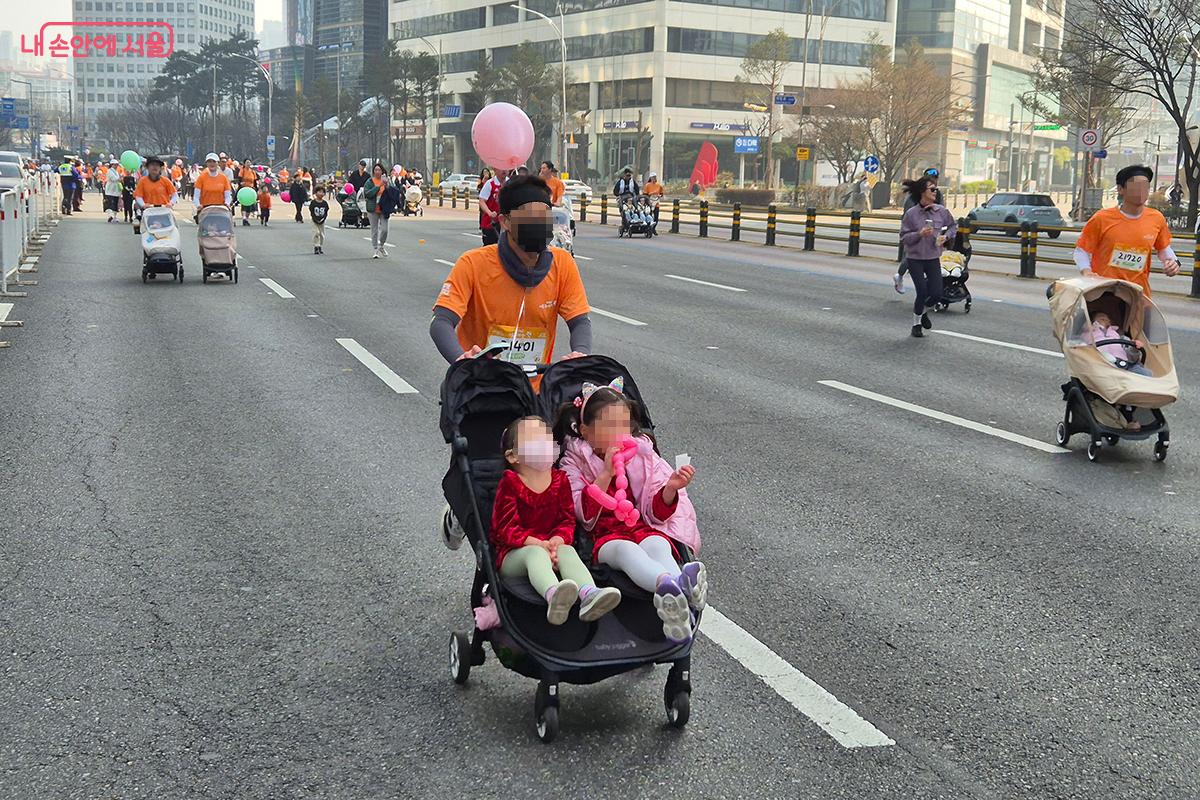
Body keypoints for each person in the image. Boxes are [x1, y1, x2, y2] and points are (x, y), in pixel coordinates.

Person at [555, 382, 706, 644]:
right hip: (604, 537)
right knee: (629, 552)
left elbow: (655, 512)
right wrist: (605, 474)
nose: (619, 433)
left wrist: (670, 488)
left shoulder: (641, 455)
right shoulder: (574, 461)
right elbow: (580, 510)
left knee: (659, 544)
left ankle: (679, 588)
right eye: (609, 426)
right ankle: (669, 584)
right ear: (586, 432)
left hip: (639, 526)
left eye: (624, 425)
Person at [430, 174, 594, 375]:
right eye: (529, 216)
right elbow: (441, 322)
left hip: (534, 390)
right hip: (479, 387)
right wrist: (461, 359)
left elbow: (580, 321)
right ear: (505, 221)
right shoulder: (472, 263)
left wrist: (580, 353)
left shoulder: (563, 263)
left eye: (544, 215)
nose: (538, 223)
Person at [492, 416, 623, 625]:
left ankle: (589, 593)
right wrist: (538, 544)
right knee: (535, 554)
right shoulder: (510, 484)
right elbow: (504, 528)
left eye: (547, 438)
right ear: (513, 456)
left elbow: (567, 520)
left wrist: (557, 540)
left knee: (568, 550)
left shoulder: (560, 480)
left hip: (550, 546)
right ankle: (554, 595)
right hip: (514, 554)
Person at [1074, 164, 1179, 297]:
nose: (1141, 191)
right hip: (1104, 293)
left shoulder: (1156, 218)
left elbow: (1164, 249)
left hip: (1138, 294)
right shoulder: (1102, 218)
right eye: (1136, 186)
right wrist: (1086, 271)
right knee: (1102, 319)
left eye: (1145, 186)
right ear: (1120, 189)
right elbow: (1081, 251)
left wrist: (1173, 263)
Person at [898, 176, 956, 338]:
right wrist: (919, 234)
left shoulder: (941, 211)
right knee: (922, 291)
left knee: (937, 294)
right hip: (915, 259)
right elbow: (904, 237)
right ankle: (916, 324)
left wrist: (947, 236)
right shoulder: (911, 214)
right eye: (932, 189)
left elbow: (953, 226)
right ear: (922, 192)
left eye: (936, 189)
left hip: (932, 257)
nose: (935, 192)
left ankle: (923, 312)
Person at [894, 167, 944, 294]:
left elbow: (941, 210)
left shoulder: (938, 194)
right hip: (916, 230)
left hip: (932, 230)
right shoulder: (914, 195)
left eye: (935, 179)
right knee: (911, 256)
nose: (933, 182)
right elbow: (908, 214)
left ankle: (931, 289)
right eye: (930, 179)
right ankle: (900, 276)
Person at [1087, 310, 1152, 376]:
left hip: (1122, 364)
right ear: (1092, 321)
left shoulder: (1119, 336)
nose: (1106, 319)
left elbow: (1132, 357)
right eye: (1101, 318)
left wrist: (1134, 348)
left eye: (1107, 319)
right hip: (1098, 363)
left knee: (1145, 373)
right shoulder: (1087, 333)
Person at [361, 162, 398, 258]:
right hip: (373, 208)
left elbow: (394, 192)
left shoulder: (387, 180)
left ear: (382, 171)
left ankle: (381, 245)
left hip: (384, 208)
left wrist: (386, 186)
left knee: (385, 230)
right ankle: (375, 249)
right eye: (375, 170)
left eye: (379, 170)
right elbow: (368, 194)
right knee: (374, 230)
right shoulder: (370, 181)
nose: (377, 172)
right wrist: (378, 186)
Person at [478, 168, 506, 245]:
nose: (504, 170)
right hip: (490, 224)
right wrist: (489, 212)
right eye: (501, 168)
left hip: (506, 224)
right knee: (489, 249)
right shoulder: (490, 183)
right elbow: (482, 200)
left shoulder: (510, 183)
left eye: (506, 168)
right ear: (495, 170)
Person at [310, 184, 329, 255]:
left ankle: (320, 246)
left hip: (322, 221)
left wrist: (323, 219)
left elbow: (326, 212)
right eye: (319, 192)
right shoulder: (313, 202)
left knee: (321, 234)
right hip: (314, 220)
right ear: (316, 193)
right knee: (316, 232)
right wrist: (315, 219)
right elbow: (311, 211)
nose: (321, 193)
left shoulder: (325, 203)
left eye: (322, 192)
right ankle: (316, 246)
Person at [102, 158, 123, 222]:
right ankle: (110, 216)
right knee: (110, 204)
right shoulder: (109, 171)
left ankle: (115, 217)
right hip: (110, 190)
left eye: (117, 165)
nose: (116, 166)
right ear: (112, 165)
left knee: (115, 204)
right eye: (115, 165)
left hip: (116, 190)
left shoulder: (116, 171)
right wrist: (120, 178)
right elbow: (114, 179)